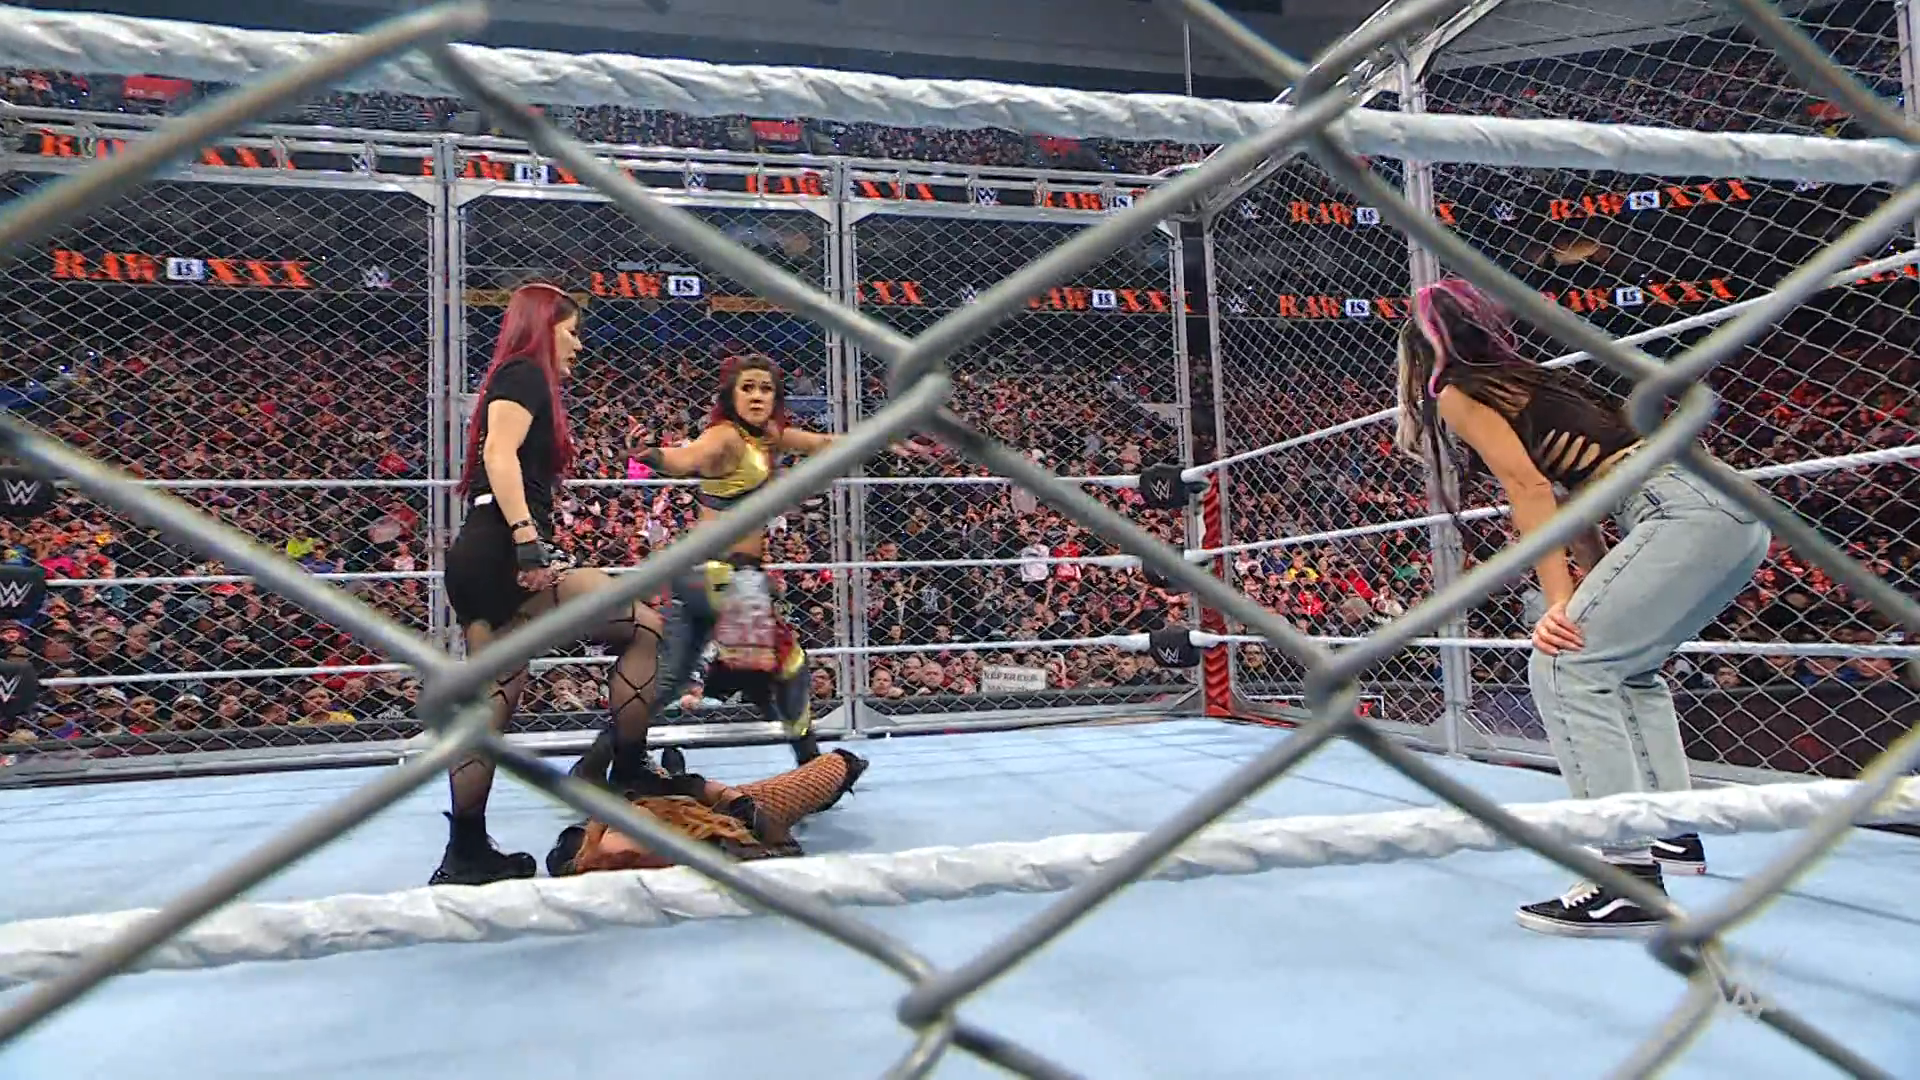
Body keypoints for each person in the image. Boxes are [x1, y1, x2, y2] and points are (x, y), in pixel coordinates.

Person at [1393, 278, 1770, 938]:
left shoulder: (1455, 390)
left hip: (1680, 510)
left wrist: (1560, 601)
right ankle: (1670, 832)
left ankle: (1625, 878)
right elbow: (1578, 495)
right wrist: (1591, 579)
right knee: (1630, 670)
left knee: (1564, 664)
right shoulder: (1532, 385)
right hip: (1728, 510)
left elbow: (1529, 487)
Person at [572, 353, 923, 786]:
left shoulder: (766, 436)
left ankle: (592, 764)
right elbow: (688, 457)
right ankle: (812, 766)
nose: (757, 396)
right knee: (789, 662)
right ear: (731, 394)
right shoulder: (725, 437)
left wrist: (881, 438)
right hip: (728, 580)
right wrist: (652, 455)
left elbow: (821, 443)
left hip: (702, 576)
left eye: (765, 388)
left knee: (670, 681)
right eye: (748, 387)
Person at [435, 281, 668, 887]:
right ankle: (628, 772)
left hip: (481, 553)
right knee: (642, 625)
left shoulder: (515, 377)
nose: (579, 345)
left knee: (492, 701)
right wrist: (526, 539)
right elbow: (499, 454)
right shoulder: (524, 374)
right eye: (571, 332)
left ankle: (465, 850)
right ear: (545, 329)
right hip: (500, 549)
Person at [546, 744, 869, 876]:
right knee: (837, 765)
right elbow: (785, 851)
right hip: (708, 813)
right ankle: (669, 773)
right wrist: (736, 803)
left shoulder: (583, 842)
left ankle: (666, 772)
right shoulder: (719, 842)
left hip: (678, 801)